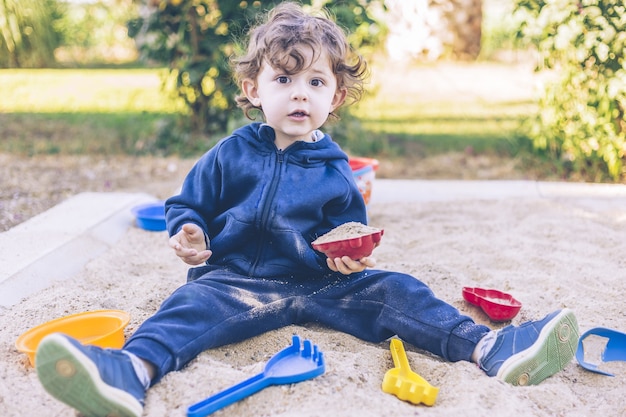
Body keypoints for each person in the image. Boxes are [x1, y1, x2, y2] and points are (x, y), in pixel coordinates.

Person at [34, 3, 579, 417]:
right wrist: (189, 232)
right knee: (186, 307)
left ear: (335, 97)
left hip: (318, 284)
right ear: (253, 88)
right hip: (231, 279)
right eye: (284, 80)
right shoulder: (231, 153)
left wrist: (351, 261)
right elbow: (187, 205)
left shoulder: (334, 167)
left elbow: (347, 231)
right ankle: (130, 369)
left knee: (398, 291)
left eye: (316, 82)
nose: (300, 94)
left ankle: (488, 347)